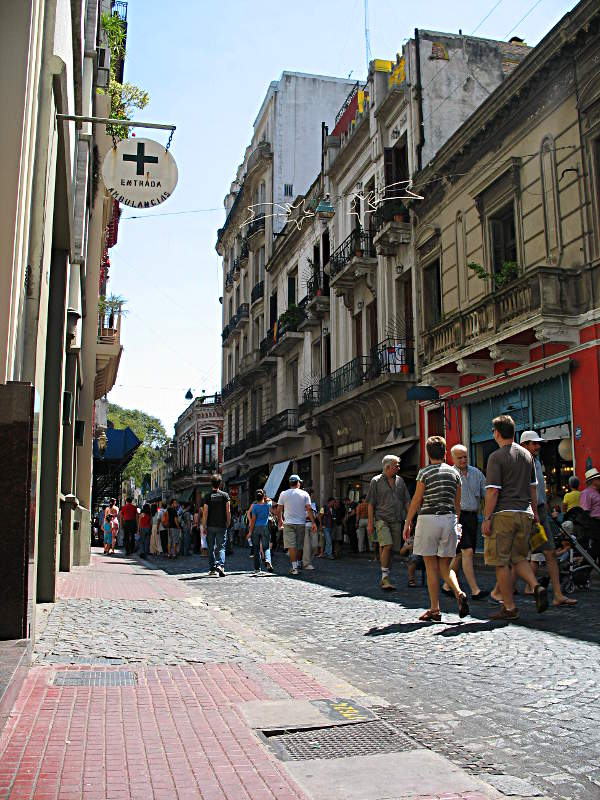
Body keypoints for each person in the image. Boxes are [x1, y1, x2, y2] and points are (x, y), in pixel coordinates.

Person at [482, 415, 548, 621]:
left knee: (501, 562)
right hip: (525, 513)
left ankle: (509, 607)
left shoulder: (496, 457)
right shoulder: (527, 456)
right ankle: (536, 586)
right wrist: (535, 514)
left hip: (504, 514)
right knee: (519, 557)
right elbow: (533, 488)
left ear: (497, 433)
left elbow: (493, 491)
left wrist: (486, 518)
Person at [403, 436, 468, 621]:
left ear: (428, 453)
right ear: (445, 452)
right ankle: (459, 593)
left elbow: (417, 499)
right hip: (449, 519)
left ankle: (434, 609)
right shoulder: (454, 474)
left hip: (428, 519)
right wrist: (457, 524)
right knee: (445, 566)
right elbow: (458, 504)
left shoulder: (424, 473)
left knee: (431, 567)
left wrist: (408, 522)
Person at [518, 430, 576, 607]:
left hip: (540, 511)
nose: (538, 446)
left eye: (538, 444)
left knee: (549, 552)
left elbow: (540, 490)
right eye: (534, 443)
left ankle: (557, 594)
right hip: (527, 512)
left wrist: (547, 509)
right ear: (524, 445)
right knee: (516, 555)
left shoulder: (536, 461)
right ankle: (501, 592)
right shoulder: (521, 462)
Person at [441, 445, 489, 601]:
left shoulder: (476, 473)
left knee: (460, 555)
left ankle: (447, 585)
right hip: (457, 516)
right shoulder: (449, 474)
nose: (463, 460)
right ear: (453, 458)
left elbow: (486, 495)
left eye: (465, 457)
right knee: (467, 551)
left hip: (472, 517)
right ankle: (475, 590)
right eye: (459, 457)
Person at [367, 454, 411, 591]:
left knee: (392, 550)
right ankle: (384, 577)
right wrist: (370, 523)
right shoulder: (375, 481)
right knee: (387, 544)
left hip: (397, 520)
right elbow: (370, 503)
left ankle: (386, 575)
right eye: (396, 465)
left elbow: (407, 501)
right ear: (387, 467)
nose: (399, 468)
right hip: (382, 519)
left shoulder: (400, 481)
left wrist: (409, 521)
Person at [276, 474, 317, 576]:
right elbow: (309, 509)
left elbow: (279, 509)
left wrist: (280, 520)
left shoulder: (283, 494)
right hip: (301, 523)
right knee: (299, 546)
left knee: (291, 546)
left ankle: (294, 567)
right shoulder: (305, 494)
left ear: (290, 483)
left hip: (288, 523)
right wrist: (313, 522)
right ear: (298, 483)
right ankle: (298, 564)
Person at [201, 475, 231, 577]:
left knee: (211, 547)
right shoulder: (225, 496)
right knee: (221, 547)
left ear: (211, 484)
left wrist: (204, 525)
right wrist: (228, 522)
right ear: (220, 484)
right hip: (221, 524)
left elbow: (205, 512)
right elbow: (228, 511)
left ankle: (212, 569)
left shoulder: (207, 496)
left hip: (210, 525)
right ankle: (221, 565)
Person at [247, 489, 274, 574]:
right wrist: (268, 499)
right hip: (265, 527)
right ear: (264, 496)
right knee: (266, 547)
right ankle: (267, 559)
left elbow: (253, 520)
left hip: (256, 528)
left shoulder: (255, 506)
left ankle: (257, 568)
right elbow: (275, 504)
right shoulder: (268, 505)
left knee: (256, 548)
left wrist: (250, 532)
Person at [579, 467, 600, 562]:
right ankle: (584, 569)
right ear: (593, 481)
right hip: (594, 524)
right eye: (598, 479)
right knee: (594, 549)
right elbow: (584, 512)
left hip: (597, 523)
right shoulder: (586, 493)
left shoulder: (597, 493)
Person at [302, 489, 318, 570]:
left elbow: (315, 514)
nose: (312, 497)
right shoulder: (300, 504)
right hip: (304, 525)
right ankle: (307, 563)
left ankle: (307, 559)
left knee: (315, 545)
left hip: (312, 525)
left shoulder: (313, 504)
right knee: (307, 545)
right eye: (311, 495)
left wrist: (313, 516)